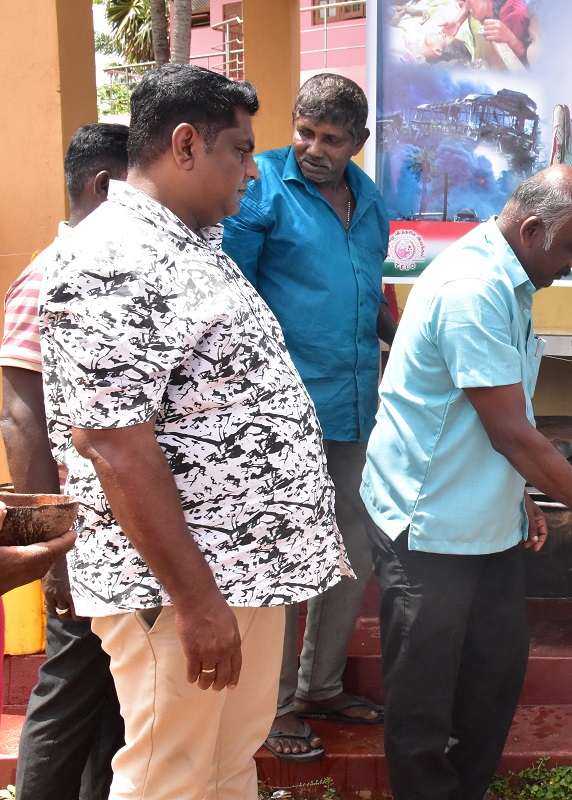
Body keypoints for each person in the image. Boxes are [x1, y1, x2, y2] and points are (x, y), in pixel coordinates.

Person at [39, 64, 346, 800]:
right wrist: (198, 600)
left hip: (243, 572)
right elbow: (113, 442)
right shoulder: (115, 256)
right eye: (240, 150)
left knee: (224, 769)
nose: (253, 170)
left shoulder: (189, 245)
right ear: (185, 145)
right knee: (168, 777)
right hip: (183, 587)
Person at [361, 165, 572, 800]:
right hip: (427, 522)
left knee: (495, 668)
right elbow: (512, 433)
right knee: (423, 693)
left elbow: (490, 413)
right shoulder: (473, 289)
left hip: (483, 517)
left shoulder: (510, 277)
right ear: (530, 230)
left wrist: (515, 492)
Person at [223, 72, 391, 763]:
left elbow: (369, 293)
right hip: (281, 410)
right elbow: (230, 295)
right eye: (305, 132)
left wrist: (411, 346)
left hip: (354, 404)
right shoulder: (260, 186)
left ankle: (320, 687)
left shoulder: (371, 201)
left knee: (353, 546)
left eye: (332, 139)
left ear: (359, 141)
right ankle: (272, 707)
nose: (314, 149)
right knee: (283, 552)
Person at [0, 122, 127, 800]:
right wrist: (52, 550)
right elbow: (20, 418)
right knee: (71, 686)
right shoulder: (48, 276)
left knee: (110, 697)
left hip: (118, 529)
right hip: (81, 536)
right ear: (104, 186)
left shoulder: (107, 272)